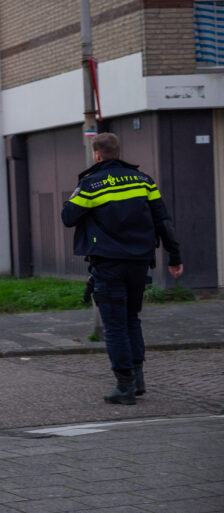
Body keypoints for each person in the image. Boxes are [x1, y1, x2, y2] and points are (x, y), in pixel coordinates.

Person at [61, 132, 182, 405]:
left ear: (97, 154)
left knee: (114, 326)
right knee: (131, 319)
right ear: (117, 151)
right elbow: (164, 220)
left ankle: (124, 387)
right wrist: (175, 257)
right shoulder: (144, 181)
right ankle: (138, 381)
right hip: (139, 263)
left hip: (108, 264)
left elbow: (68, 216)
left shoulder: (92, 184)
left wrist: (78, 189)